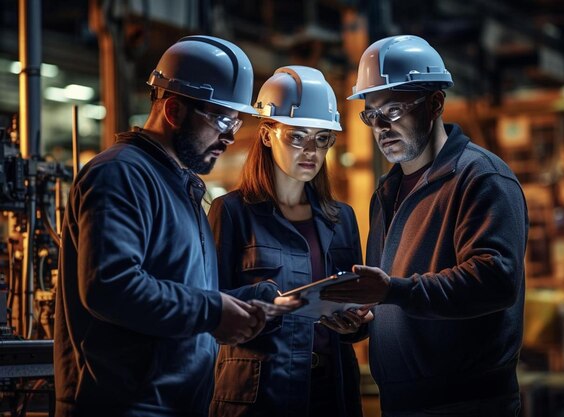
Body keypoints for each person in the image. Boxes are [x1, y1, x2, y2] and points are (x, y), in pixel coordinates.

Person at [54, 35, 272, 417]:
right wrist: (211, 310)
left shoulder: (181, 186)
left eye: (236, 121)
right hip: (126, 406)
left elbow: (179, 291)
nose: (231, 135)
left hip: (175, 404)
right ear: (173, 110)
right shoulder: (121, 174)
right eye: (222, 118)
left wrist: (246, 300)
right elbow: (110, 286)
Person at [321, 35, 529, 417]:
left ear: (435, 103)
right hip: (399, 403)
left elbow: (495, 279)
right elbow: (392, 297)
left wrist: (393, 291)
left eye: (394, 110)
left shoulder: (481, 178)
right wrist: (360, 322)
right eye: (371, 115)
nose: (380, 127)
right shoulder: (386, 193)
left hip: (470, 405)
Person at [207, 65, 371, 417]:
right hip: (260, 394)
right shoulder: (233, 212)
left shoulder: (340, 218)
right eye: (297, 136)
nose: (311, 150)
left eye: (322, 138)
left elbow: (356, 304)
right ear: (267, 135)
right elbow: (207, 307)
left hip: (331, 391)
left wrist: (356, 323)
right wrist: (268, 300)